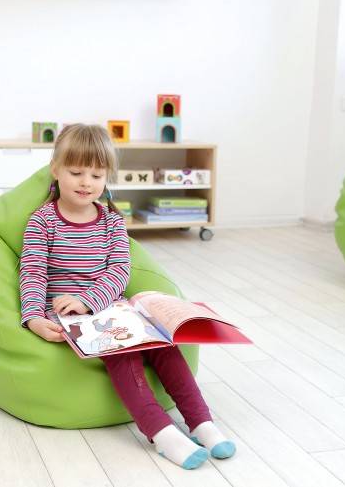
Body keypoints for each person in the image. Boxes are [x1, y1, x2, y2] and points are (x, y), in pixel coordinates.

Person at [19, 123, 235, 470]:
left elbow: (120, 271)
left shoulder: (112, 222)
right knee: (124, 354)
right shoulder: (42, 222)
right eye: (76, 172)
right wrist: (33, 318)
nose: (86, 182)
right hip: (72, 319)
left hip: (110, 307)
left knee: (164, 346)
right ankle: (161, 433)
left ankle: (201, 422)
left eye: (96, 175)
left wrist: (91, 299)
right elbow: (32, 273)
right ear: (55, 169)